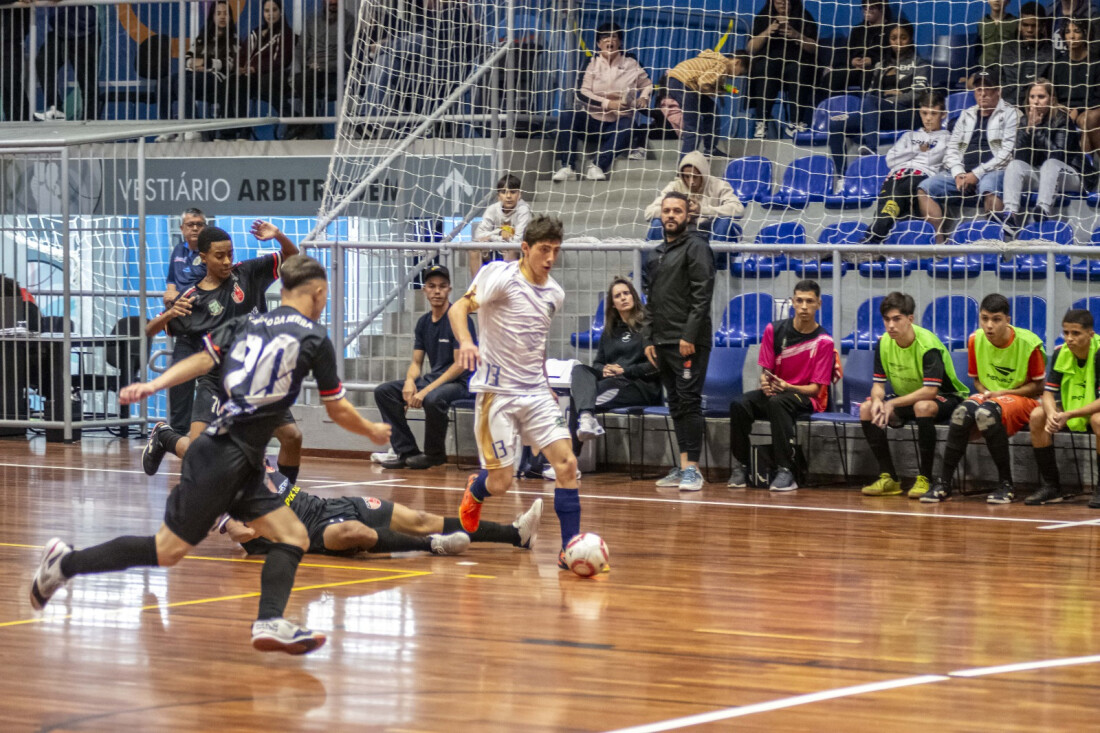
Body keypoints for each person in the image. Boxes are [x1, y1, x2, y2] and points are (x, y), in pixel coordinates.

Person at [30, 255, 393, 655]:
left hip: (237, 458)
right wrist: (373, 430)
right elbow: (337, 408)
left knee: (293, 535)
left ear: (283, 289)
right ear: (320, 293)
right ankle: (65, 563)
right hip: (225, 457)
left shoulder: (246, 323)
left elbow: (201, 360)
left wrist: (154, 385)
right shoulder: (314, 337)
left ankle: (270, 620)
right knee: (166, 552)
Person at [449, 216, 586, 569]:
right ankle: (476, 490)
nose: (550, 258)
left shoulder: (555, 293)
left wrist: (545, 384)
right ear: (525, 249)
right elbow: (458, 307)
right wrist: (466, 341)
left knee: (567, 465)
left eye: (556, 250)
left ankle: (570, 547)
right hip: (497, 392)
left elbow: (534, 343)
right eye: (544, 249)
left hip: (536, 392)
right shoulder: (500, 275)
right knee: (501, 481)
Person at [142, 222, 302, 483]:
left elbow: (293, 258)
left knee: (292, 437)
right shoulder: (192, 299)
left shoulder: (248, 272)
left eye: (230, 254)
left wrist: (280, 236)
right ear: (203, 257)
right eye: (219, 256)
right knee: (198, 452)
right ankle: (164, 436)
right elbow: (150, 329)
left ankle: (286, 498)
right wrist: (170, 313)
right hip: (217, 381)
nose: (228, 261)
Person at [221, 464, 543, 556]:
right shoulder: (229, 493)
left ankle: (516, 535)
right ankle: (432, 546)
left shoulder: (258, 461)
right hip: (316, 533)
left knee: (420, 518)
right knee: (353, 532)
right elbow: (239, 532)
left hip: (330, 505)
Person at [922, 293, 1046, 504]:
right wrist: (988, 393)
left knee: (986, 413)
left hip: (1024, 398)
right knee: (961, 413)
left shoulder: (1029, 344)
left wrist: (1004, 394)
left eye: (996, 319)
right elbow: (977, 380)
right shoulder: (975, 339)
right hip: (990, 395)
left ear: (1008, 320)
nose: (989, 325)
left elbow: (1038, 387)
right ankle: (943, 482)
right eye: (985, 318)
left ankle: (1006, 484)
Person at [728, 280, 835, 493]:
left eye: (810, 301)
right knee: (739, 404)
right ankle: (741, 466)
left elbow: (816, 389)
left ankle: (785, 470)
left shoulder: (824, 341)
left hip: (806, 397)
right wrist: (765, 383)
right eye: (800, 300)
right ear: (792, 302)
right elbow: (765, 371)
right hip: (778, 392)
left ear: (819, 304)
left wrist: (787, 386)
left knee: (778, 403)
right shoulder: (773, 330)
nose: (804, 306)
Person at [859, 292, 969, 499]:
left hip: (946, 398)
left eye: (896, 319)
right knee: (866, 409)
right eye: (886, 320)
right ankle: (889, 478)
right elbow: (878, 386)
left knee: (923, 406)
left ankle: (925, 478)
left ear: (910, 319)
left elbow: (930, 391)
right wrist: (877, 401)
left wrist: (891, 404)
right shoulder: (883, 343)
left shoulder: (928, 345)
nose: (891, 325)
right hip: (906, 397)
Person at [642, 192, 716, 492]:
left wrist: (689, 335)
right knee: (674, 403)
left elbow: (702, 294)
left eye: (677, 211)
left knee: (689, 401)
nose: (671, 215)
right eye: (667, 210)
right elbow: (651, 300)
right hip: (661, 341)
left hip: (689, 342)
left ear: (688, 215)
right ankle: (684, 464)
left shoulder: (697, 246)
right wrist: (648, 337)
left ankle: (693, 469)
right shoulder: (656, 252)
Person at [373, 264, 475, 470]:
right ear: (425, 290)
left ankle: (435, 455)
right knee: (384, 392)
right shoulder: (423, 322)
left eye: (442, 286)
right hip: (435, 379)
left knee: (433, 398)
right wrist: (410, 382)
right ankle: (407, 451)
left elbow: (460, 365)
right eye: (432, 286)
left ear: (449, 289)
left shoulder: (459, 319)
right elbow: (416, 362)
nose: (437, 291)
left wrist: (425, 390)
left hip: (461, 382)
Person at [917, 69, 1020, 243]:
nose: (983, 93)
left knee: (989, 187)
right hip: (963, 173)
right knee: (925, 187)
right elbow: (952, 149)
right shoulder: (967, 114)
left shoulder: (1011, 113)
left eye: (988, 88)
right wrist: (958, 173)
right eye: (979, 89)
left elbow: (1006, 154)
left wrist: (976, 174)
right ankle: (938, 246)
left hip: (995, 170)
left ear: (998, 91)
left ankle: (998, 245)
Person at [552, 22, 653, 182]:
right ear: (599, 43)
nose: (609, 40)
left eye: (614, 36)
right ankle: (568, 167)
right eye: (605, 37)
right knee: (567, 116)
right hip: (592, 122)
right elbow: (581, 93)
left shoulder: (631, 62)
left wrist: (644, 97)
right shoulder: (590, 62)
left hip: (617, 123)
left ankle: (597, 166)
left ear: (620, 41)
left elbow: (648, 85)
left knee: (629, 125)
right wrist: (608, 104)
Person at [569, 277, 661, 448]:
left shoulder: (648, 328)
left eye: (626, 293)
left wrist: (624, 370)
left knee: (579, 401)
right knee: (580, 370)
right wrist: (603, 369)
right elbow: (597, 363)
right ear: (613, 304)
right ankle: (587, 419)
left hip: (640, 387)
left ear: (634, 296)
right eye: (618, 296)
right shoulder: (610, 331)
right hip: (613, 382)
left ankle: (571, 459)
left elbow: (656, 367)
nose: (623, 298)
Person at [826, 21, 931, 172]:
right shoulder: (880, 66)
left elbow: (918, 94)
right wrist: (890, 94)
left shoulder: (920, 64)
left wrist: (889, 98)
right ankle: (842, 177)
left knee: (871, 102)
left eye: (903, 38)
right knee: (835, 124)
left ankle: (870, 150)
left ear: (911, 39)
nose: (898, 42)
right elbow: (871, 93)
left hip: (907, 114)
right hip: (879, 113)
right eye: (894, 38)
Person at [990, 79, 1091, 234]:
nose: (1036, 101)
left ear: (1051, 98)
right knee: (1014, 165)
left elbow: (1059, 155)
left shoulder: (1063, 119)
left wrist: (1037, 131)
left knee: (1051, 164)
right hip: (1042, 176)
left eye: (1041, 97)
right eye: (1032, 97)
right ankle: (1010, 215)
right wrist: (1027, 130)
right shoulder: (1025, 120)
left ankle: (1042, 211)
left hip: (1071, 176)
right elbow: (1020, 157)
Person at [1025, 309, 1100, 506]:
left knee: (1098, 420)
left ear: (1090, 334)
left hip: (1090, 409)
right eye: (1066, 333)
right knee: (1037, 415)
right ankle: (1051, 487)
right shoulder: (1061, 353)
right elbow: (1048, 392)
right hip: (1070, 408)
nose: (1069, 338)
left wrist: (1070, 414)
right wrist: (1051, 415)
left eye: (1076, 333)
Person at [862, 90, 949, 243]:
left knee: (894, 199)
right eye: (924, 113)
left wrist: (906, 154)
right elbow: (890, 160)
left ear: (943, 114)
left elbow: (931, 159)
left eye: (933, 114)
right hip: (896, 176)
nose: (928, 118)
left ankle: (871, 240)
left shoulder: (946, 138)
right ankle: (874, 242)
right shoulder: (908, 136)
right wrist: (917, 149)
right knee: (886, 205)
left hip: (920, 177)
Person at [156, 0, 237, 140]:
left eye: (225, 14)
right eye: (218, 13)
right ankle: (168, 127)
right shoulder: (202, 38)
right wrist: (193, 63)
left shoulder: (233, 39)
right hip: (195, 74)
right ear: (212, 16)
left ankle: (193, 127)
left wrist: (206, 63)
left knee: (183, 82)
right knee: (164, 83)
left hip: (216, 78)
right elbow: (188, 57)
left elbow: (229, 64)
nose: (222, 17)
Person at [162, 208, 210, 432]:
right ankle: (177, 435)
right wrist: (171, 299)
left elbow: (201, 288)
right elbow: (171, 285)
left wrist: (176, 297)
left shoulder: (211, 252)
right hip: (185, 329)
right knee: (179, 381)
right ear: (181, 228)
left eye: (199, 224)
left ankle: (212, 435)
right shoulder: (178, 250)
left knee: (210, 386)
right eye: (190, 224)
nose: (194, 228)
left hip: (209, 330)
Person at [745, 0, 820, 138]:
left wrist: (797, 35)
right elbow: (750, 48)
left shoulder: (804, 17)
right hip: (770, 61)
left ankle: (796, 122)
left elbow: (815, 48)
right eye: (779, 2)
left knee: (798, 69)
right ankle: (762, 122)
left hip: (796, 60)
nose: (783, 5)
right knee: (765, 68)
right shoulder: (763, 17)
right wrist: (767, 32)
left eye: (786, 2)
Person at [227, 0, 296, 138]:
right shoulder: (256, 32)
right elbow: (242, 53)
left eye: (274, 10)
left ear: (281, 12)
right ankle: (240, 129)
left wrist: (255, 68)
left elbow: (282, 60)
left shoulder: (287, 34)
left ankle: (292, 117)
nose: (270, 14)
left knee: (262, 84)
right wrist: (240, 68)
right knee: (234, 81)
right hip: (249, 76)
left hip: (272, 75)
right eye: (267, 11)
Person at [288, 0, 355, 140]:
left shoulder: (349, 21)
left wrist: (326, 66)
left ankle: (308, 126)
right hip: (310, 70)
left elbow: (351, 55)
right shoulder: (312, 20)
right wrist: (296, 71)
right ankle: (303, 123)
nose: (332, 2)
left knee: (305, 80)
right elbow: (300, 48)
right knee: (297, 79)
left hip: (334, 72)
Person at [663, 50, 744, 156]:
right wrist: (712, 92)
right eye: (740, 73)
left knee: (711, 109)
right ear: (736, 62)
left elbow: (704, 78)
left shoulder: (713, 60)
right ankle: (686, 163)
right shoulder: (722, 65)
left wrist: (717, 90)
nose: (736, 77)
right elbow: (703, 83)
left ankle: (710, 149)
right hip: (685, 84)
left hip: (676, 81)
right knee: (693, 127)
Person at [643, 151, 744, 234]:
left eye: (695, 176)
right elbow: (649, 213)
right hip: (681, 230)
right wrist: (680, 212)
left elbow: (739, 210)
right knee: (657, 223)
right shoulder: (675, 186)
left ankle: (714, 257)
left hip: (710, 230)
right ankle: (655, 258)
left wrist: (701, 210)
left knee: (724, 221)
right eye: (687, 177)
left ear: (703, 174)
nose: (691, 182)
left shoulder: (720, 185)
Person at [33, 4, 100, 121]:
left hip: (85, 30)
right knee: (43, 62)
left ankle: (90, 118)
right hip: (60, 30)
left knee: (87, 79)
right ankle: (55, 109)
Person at [1050, 17, 1100, 158]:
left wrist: (1078, 110)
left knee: (1087, 119)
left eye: (1077, 31)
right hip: (1064, 110)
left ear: (1085, 34)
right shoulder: (1058, 65)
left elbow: (1097, 97)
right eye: (1067, 32)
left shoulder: (1096, 62)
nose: (1072, 36)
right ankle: (1087, 172)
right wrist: (1064, 109)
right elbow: (1052, 95)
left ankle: (1085, 171)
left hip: (1092, 110)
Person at [820, 1, 894, 95]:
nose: (866, 11)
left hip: (876, 69)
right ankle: (829, 107)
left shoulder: (891, 29)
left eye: (871, 8)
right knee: (831, 78)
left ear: (882, 9)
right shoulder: (857, 30)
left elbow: (893, 54)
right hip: (855, 69)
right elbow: (846, 53)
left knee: (868, 75)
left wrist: (872, 60)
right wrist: (852, 61)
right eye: (864, 8)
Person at [470, 173, 532, 278]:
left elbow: (517, 241)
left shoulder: (524, 210)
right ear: (498, 196)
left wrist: (491, 237)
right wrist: (499, 233)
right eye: (504, 192)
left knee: (510, 249)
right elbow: (478, 235)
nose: (508, 196)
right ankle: (475, 289)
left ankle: (506, 287)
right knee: (474, 249)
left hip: (521, 254)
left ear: (519, 194)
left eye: (513, 192)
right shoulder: (492, 209)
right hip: (495, 250)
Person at [997, 2, 1053, 107]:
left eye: (1034, 25)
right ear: (1019, 25)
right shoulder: (1007, 49)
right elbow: (996, 76)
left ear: (1042, 26)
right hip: (1004, 107)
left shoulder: (1051, 55)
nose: (1029, 30)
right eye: (1025, 25)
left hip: (1033, 108)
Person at [0, 0, 30, 122]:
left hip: (12, 37)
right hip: (8, 35)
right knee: (4, 85)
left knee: (10, 80)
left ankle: (24, 119)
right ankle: (10, 120)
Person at [978, 0, 1019, 71]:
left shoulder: (1015, 23)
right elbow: (977, 49)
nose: (997, 0)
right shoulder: (982, 23)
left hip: (1008, 69)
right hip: (985, 69)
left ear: (1008, 1)